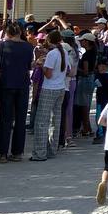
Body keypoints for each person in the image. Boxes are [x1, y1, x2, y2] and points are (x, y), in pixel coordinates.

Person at [0, 23, 34, 163]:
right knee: (20, 119)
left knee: (5, 119)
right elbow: (29, 65)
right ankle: (17, 152)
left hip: (7, 84)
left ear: (8, 33)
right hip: (23, 84)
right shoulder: (28, 46)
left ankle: (3, 154)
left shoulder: (3, 45)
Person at [30, 34, 67, 162]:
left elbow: (48, 74)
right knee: (55, 120)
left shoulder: (52, 54)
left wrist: (41, 66)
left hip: (49, 88)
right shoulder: (63, 52)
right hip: (61, 88)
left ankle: (40, 153)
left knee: (41, 121)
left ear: (49, 41)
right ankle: (52, 150)